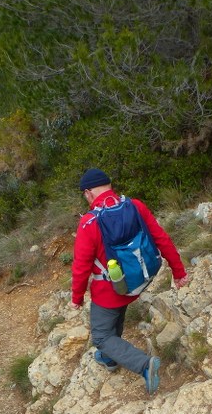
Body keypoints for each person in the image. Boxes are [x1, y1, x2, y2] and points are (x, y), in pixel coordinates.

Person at [71, 168, 189, 394]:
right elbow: (161, 238)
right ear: (109, 185)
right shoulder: (135, 205)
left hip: (110, 290)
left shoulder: (89, 223)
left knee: (102, 336)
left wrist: (76, 297)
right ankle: (110, 358)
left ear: (88, 193)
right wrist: (178, 271)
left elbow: (81, 266)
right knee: (115, 320)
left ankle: (144, 365)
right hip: (136, 281)